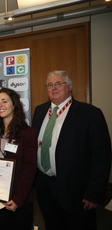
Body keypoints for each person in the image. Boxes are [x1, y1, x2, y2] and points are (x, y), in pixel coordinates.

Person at [32, 70, 111, 230]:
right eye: (50, 85)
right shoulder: (40, 111)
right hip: (45, 187)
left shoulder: (90, 114)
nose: (54, 88)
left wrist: (95, 193)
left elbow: (102, 156)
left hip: (76, 192)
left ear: (69, 87)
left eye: (59, 83)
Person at [0, 88, 38, 230]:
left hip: (18, 198)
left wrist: (18, 199)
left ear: (14, 104)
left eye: (5, 101)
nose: (0, 105)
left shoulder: (28, 133)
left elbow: (29, 169)